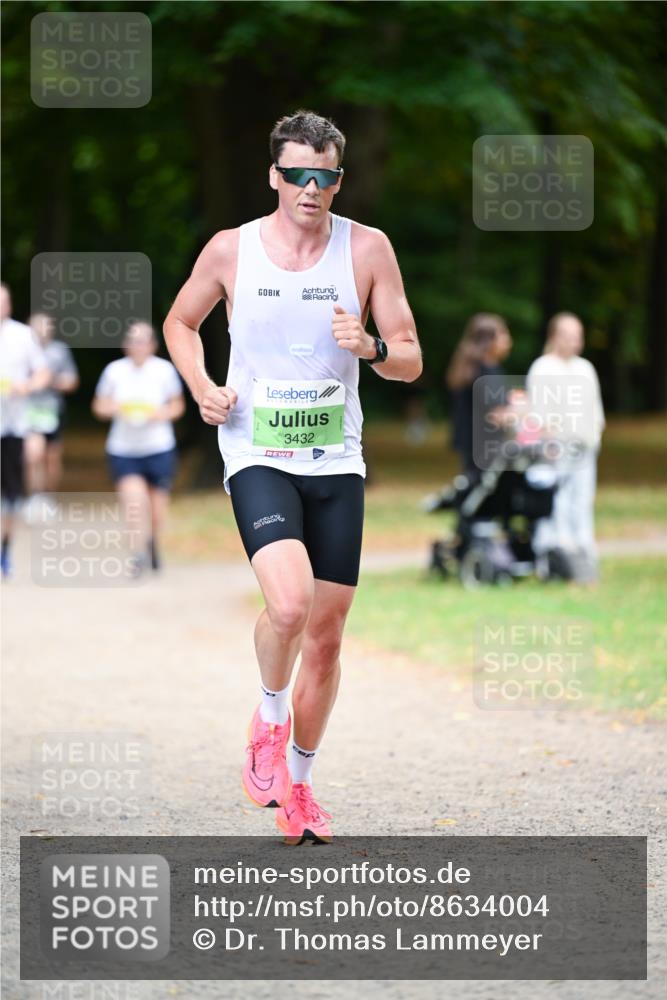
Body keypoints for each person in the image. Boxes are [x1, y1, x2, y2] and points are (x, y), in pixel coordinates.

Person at [163, 110, 422, 844]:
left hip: (336, 458)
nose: (312, 188)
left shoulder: (367, 249)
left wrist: (368, 345)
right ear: (274, 176)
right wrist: (201, 384)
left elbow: (409, 357)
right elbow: (181, 323)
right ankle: (269, 717)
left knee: (329, 638)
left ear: (339, 178)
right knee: (289, 606)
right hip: (257, 452)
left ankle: (298, 789)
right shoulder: (230, 250)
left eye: (326, 175)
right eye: (298, 174)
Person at [92, 321, 185, 576]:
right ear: (125, 345)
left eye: (143, 340)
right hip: (124, 449)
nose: (138, 346)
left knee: (156, 511)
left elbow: (178, 406)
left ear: (153, 345)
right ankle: (137, 555)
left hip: (158, 448)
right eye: (133, 341)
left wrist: (160, 413)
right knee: (135, 503)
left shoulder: (164, 371)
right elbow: (98, 406)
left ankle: (152, 542)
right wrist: (113, 408)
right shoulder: (114, 371)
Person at [527, 312, 604, 583]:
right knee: (556, 504)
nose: (575, 342)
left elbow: (594, 410)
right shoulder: (543, 368)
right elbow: (537, 412)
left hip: (584, 449)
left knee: (581, 503)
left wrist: (594, 436)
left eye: (578, 337)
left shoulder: (585, 368)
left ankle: (584, 556)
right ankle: (557, 557)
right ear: (555, 337)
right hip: (555, 450)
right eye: (569, 336)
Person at [0, 283, 50, 577]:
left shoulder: (23, 335)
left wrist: (27, 386)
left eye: (5, 301)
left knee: (11, 495)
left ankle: (5, 551)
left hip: (14, 426)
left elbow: (43, 373)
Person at [24, 312, 79, 518]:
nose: (42, 331)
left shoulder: (59, 351)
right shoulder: (22, 351)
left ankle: (48, 497)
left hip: (52, 410)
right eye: (37, 327)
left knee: (51, 459)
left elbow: (72, 381)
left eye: (46, 326)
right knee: (33, 454)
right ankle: (33, 497)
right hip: (27, 410)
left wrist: (52, 381)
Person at [445, 313, 512, 477]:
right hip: (484, 445)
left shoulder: (472, 368)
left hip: (472, 444)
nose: (508, 340)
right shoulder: (485, 372)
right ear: (489, 340)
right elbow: (497, 414)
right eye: (503, 334)